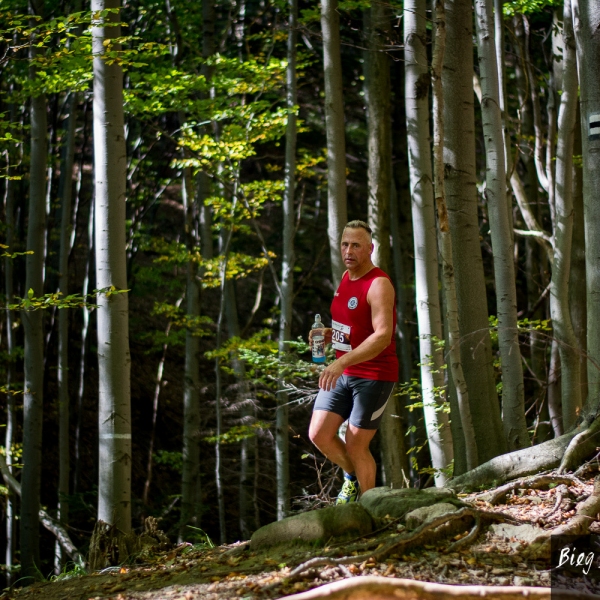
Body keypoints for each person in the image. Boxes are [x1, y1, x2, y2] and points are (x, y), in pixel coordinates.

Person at [308, 220, 398, 504]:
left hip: (374, 374)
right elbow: (354, 326)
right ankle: (351, 478)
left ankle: (369, 509)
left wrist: (340, 362)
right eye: (345, 244)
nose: (349, 251)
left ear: (370, 249)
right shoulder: (347, 277)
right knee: (319, 433)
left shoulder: (379, 284)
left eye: (356, 245)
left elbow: (382, 336)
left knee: (357, 444)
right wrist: (330, 334)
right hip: (344, 370)